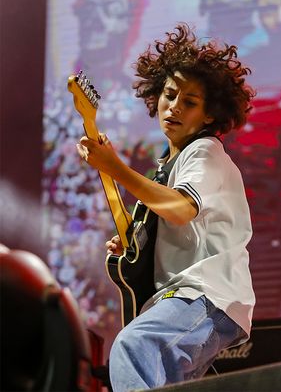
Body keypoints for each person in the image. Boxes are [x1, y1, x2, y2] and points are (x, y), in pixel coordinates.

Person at [76, 24, 256, 391]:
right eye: (169, 95)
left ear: (209, 116)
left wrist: (114, 167)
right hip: (188, 299)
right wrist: (134, 243)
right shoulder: (167, 166)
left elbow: (182, 209)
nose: (173, 106)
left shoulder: (204, 152)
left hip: (204, 295)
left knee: (132, 347)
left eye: (189, 102)